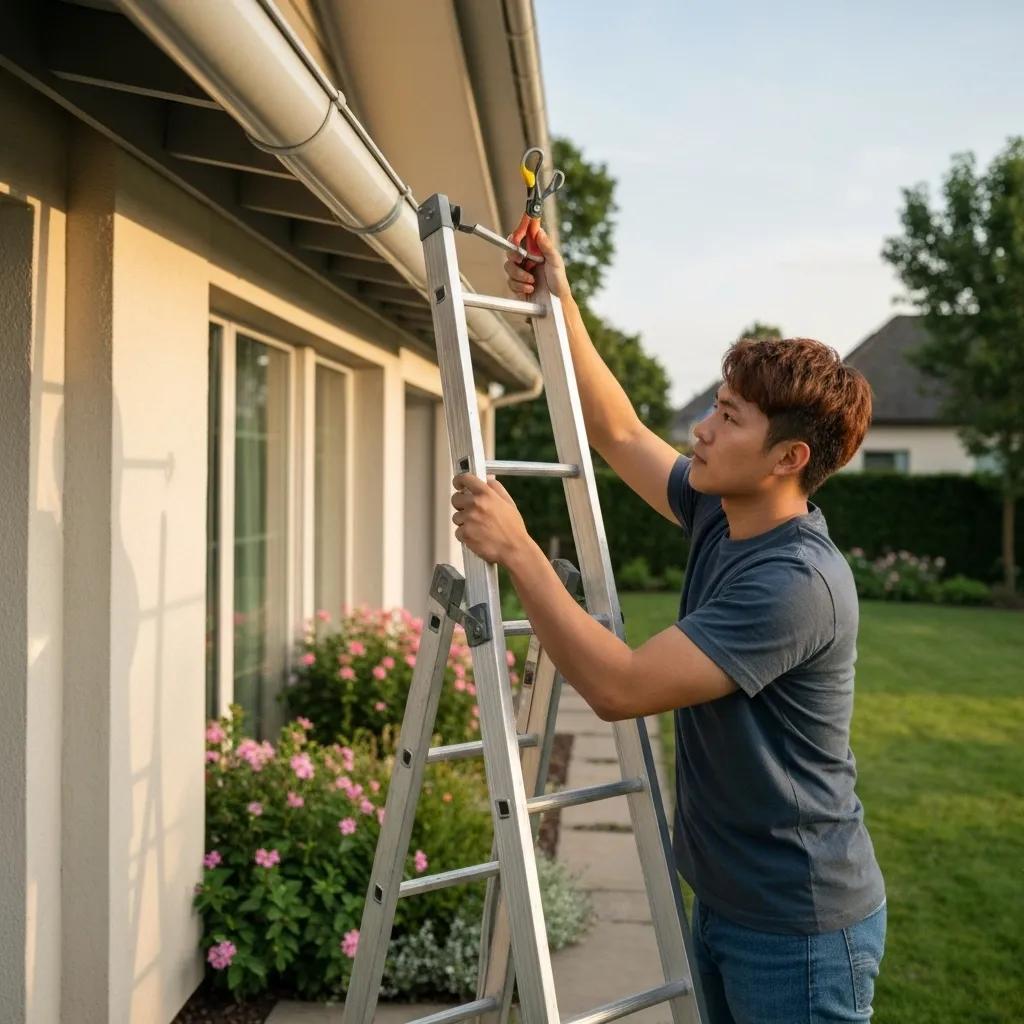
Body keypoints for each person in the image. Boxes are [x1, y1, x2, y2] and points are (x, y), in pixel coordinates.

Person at [449, 227, 886, 1024]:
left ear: (787, 459)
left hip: (799, 926)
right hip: (729, 897)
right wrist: (561, 302)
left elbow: (619, 687)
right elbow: (619, 434)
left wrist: (520, 552)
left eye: (728, 418)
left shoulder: (797, 583)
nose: (703, 433)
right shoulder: (727, 513)